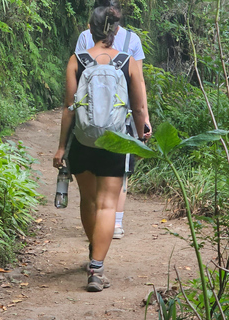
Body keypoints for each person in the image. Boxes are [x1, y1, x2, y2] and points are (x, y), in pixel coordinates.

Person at [53, 5, 151, 292]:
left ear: (90, 27)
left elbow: (69, 109)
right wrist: (143, 129)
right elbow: (138, 106)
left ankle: (92, 254)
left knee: (89, 200)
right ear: (116, 30)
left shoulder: (77, 60)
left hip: (82, 141)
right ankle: (96, 269)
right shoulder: (127, 60)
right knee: (108, 204)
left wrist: (61, 147)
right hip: (116, 141)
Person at [75, 0, 149, 240]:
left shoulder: (85, 38)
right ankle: (115, 222)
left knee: (91, 181)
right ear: (117, 20)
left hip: (86, 119)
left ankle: (97, 222)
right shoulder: (132, 40)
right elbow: (138, 84)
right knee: (121, 172)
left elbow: (77, 84)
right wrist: (144, 121)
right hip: (122, 115)